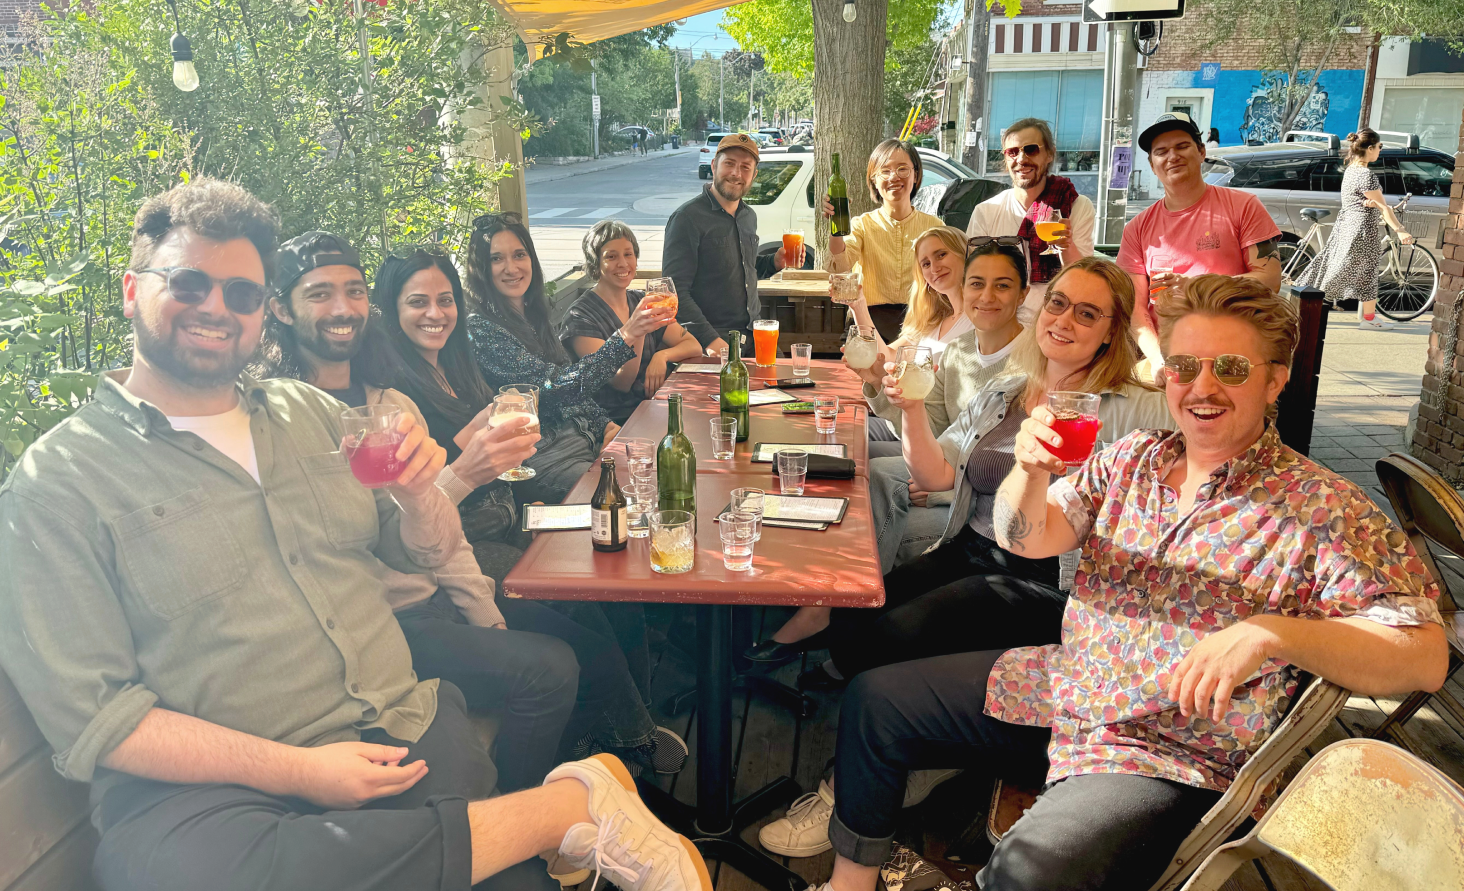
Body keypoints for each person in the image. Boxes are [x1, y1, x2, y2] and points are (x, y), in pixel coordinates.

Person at [0, 177, 714, 891]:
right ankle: (557, 811)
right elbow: (98, 719)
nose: (217, 307)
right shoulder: (59, 482)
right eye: (189, 283)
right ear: (132, 291)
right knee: (170, 870)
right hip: (214, 795)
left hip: (392, 723)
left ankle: (533, 824)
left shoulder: (314, 413)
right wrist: (299, 769)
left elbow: (412, 552)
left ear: (263, 310)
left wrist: (421, 494)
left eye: (242, 292)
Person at [805, 275, 1447, 891]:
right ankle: (850, 883)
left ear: (1275, 380)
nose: (1203, 387)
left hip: (1170, 750)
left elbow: (1424, 656)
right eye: (1185, 366)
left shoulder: (1323, 508)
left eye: (1230, 368)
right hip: (1069, 688)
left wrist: (1270, 634)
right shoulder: (1132, 459)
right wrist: (1029, 470)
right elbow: (1026, 538)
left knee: (1027, 875)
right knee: (876, 701)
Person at [257, 231, 583, 793]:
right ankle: (523, 810)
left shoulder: (392, 405)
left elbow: (437, 541)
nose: (342, 307)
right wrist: (465, 473)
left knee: (577, 634)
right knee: (550, 668)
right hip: (383, 624)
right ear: (280, 309)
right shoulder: (275, 422)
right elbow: (336, 555)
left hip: (436, 595)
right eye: (319, 293)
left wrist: (483, 610)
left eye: (353, 290)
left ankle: (593, 760)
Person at [375, 243, 692, 779]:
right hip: (466, 548)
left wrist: (537, 483)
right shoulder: (398, 394)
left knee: (613, 589)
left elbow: (539, 406)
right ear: (391, 309)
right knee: (587, 628)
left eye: (444, 300)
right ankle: (629, 738)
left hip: (509, 515)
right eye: (417, 302)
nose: (435, 313)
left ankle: (626, 722)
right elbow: (549, 393)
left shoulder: (460, 363)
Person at [743, 239, 1028, 673]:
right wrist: (877, 382)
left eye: (1002, 285)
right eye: (978, 284)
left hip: (984, 521)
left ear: (1023, 294)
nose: (987, 296)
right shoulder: (960, 351)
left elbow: (1009, 467)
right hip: (949, 482)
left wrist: (939, 490)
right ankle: (825, 600)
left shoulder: (1031, 366)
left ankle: (831, 609)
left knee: (870, 483)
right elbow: (933, 429)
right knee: (859, 472)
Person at [464, 211, 674, 505]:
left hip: (585, 438)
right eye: (496, 259)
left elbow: (570, 380)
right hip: (544, 458)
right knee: (630, 498)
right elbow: (554, 388)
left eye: (519, 255)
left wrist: (605, 425)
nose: (511, 268)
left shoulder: (533, 316)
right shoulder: (481, 329)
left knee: (665, 475)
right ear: (480, 269)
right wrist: (627, 335)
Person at [1116, 111, 1283, 375]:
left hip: (1233, 351)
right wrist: (1159, 360)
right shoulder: (1137, 228)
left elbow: (1270, 279)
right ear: (1152, 164)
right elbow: (1134, 308)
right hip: (1167, 354)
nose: (1172, 156)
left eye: (1182, 146)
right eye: (1161, 152)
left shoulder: (1244, 206)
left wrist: (1196, 285)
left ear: (1202, 151)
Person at [662, 132, 803, 356]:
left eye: (745, 167)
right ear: (713, 165)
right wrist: (710, 340)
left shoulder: (749, 216)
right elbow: (674, 291)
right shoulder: (687, 218)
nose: (736, 173)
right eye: (729, 164)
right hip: (712, 340)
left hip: (755, 336)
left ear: (754, 175)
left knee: (792, 376)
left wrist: (774, 262)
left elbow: (742, 267)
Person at [843, 226, 980, 448]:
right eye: (925, 264)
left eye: (941, 255)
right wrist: (858, 306)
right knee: (844, 429)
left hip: (937, 434)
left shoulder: (979, 321)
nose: (934, 267)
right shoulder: (934, 321)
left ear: (965, 253)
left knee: (854, 449)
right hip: (907, 417)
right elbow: (885, 358)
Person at [561, 221, 703, 423]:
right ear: (595, 263)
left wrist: (661, 356)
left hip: (655, 407)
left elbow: (693, 346)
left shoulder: (640, 300)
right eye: (611, 256)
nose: (623, 263)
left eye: (628, 254)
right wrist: (638, 330)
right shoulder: (580, 317)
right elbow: (621, 383)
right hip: (614, 422)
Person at [965, 118, 1095, 323]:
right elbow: (974, 277)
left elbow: (1084, 278)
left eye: (1031, 150)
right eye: (1012, 152)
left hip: (1054, 322)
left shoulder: (1075, 206)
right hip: (1003, 322)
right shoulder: (987, 211)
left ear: (1050, 154)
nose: (1021, 159)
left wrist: (1066, 246)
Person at [823, 139, 944, 342]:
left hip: (920, 326)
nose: (894, 177)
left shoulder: (935, 227)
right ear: (874, 181)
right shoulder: (862, 224)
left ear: (915, 175)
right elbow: (839, 265)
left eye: (902, 169)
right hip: (866, 323)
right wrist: (835, 226)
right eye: (885, 171)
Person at [1295, 128, 1414, 330]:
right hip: (1361, 229)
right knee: (1349, 272)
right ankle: (1306, 304)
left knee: (1345, 268)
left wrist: (1372, 204)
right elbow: (1384, 207)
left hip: (1348, 225)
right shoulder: (1366, 175)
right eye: (1379, 146)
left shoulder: (1351, 170)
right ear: (1370, 148)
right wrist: (1400, 230)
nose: (1380, 150)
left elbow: (1365, 200)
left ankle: (1367, 317)